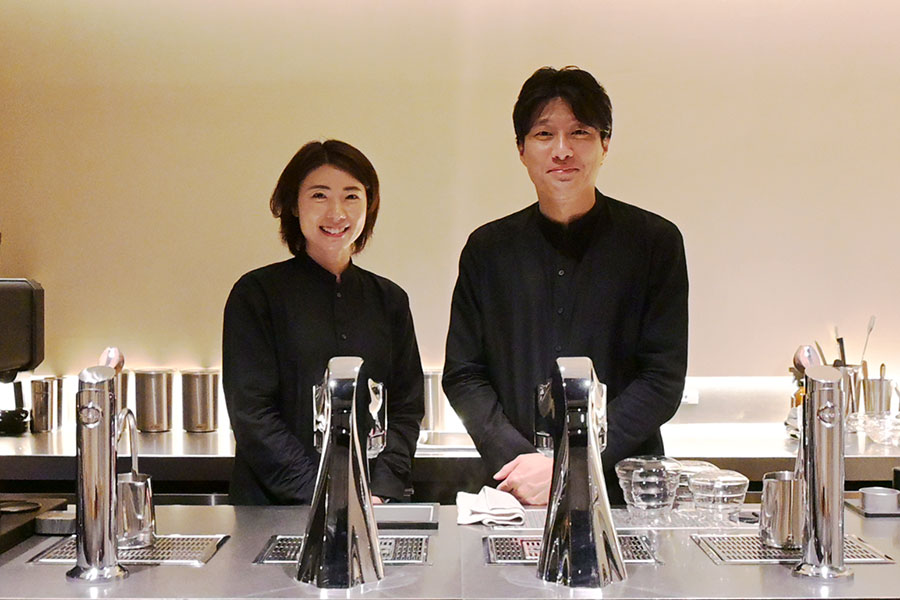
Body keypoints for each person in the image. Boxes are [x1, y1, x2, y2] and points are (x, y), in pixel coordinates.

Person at [442, 66, 688, 506]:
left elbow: (661, 380)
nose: (562, 150)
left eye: (579, 132)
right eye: (543, 134)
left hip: (621, 490)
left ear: (604, 144)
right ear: (521, 149)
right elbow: (464, 375)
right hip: (516, 491)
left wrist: (569, 462)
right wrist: (522, 464)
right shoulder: (488, 249)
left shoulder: (654, 243)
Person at [223, 140, 424, 505]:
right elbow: (252, 414)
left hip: (372, 505)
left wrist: (380, 488)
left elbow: (406, 407)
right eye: (319, 195)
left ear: (369, 205)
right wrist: (322, 493)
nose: (336, 213)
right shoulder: (256, 294)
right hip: (274, 508)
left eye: (351, 196)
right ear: (293, 205)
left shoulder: (390, 299)